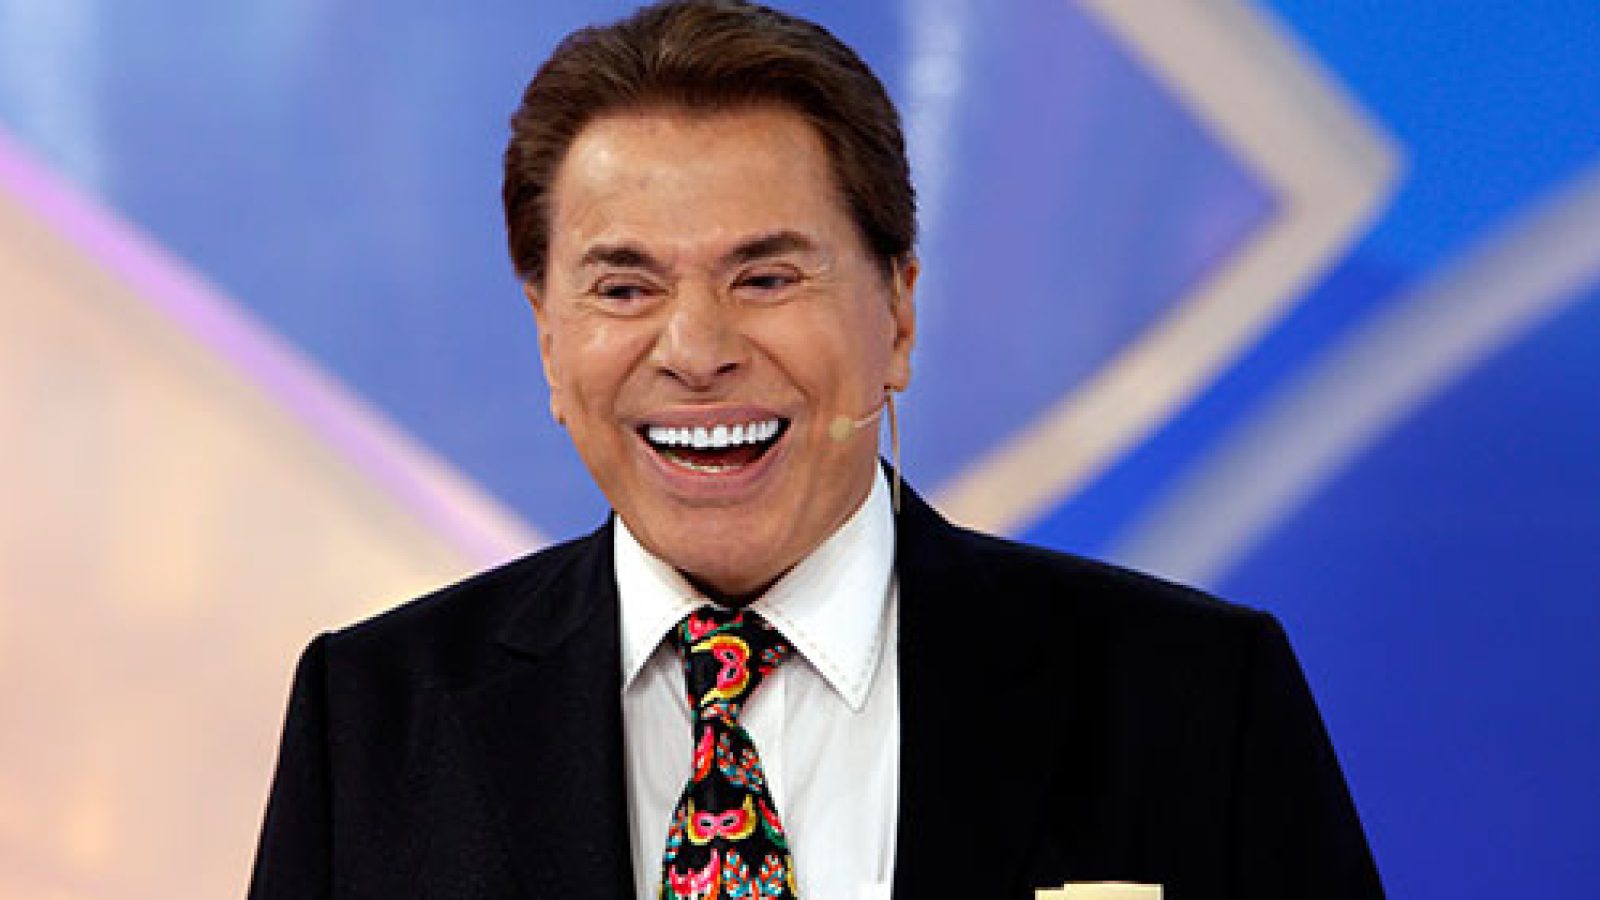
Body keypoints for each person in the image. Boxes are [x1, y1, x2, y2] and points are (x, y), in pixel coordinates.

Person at [248, 2, 1383, 897]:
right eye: (625, 288)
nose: (696, 351)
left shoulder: (1192, 697)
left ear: (898, 315)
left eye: (766, 277)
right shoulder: (378, 718)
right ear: (549, 339)